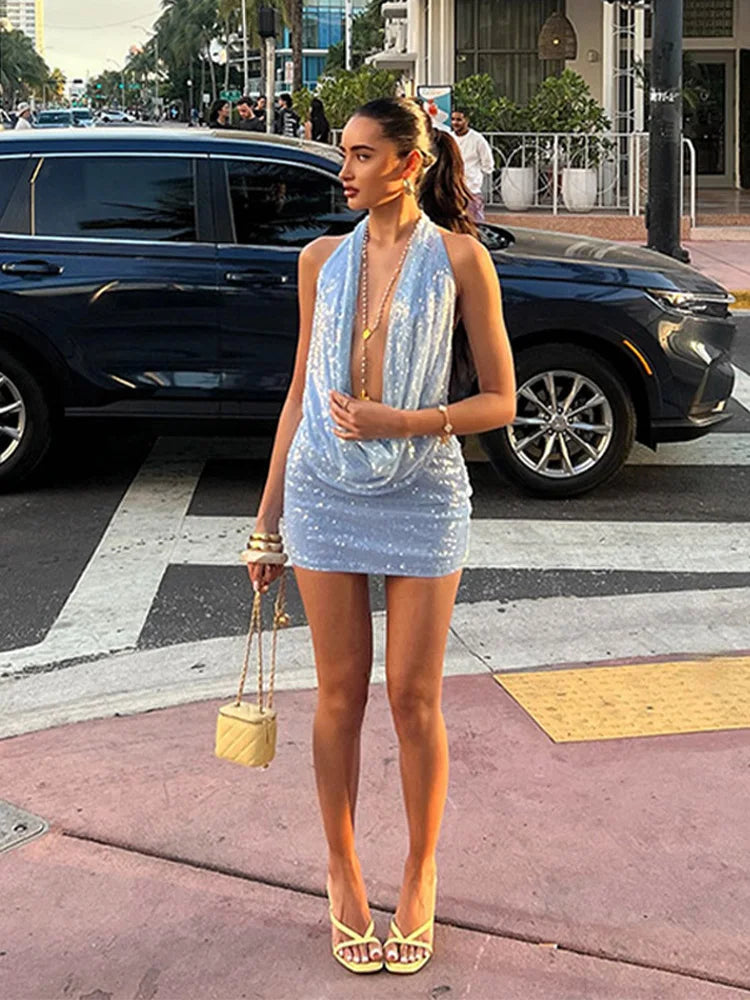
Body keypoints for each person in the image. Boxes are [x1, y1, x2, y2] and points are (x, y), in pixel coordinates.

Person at [246, 97, 515, 976]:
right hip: (324, 491)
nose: (344, 171)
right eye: (344, 155)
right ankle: (343, 868)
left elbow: (501, 402)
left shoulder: (464, 261)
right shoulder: (319, 260)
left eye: (361, 156)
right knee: (338, 698)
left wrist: (402, 420)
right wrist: (266, 523)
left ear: (409, 163)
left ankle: (420, 868)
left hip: (425, 492)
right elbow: (296, 396)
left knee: (413, 699)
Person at [450, 107, 494, 223]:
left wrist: (475, 178)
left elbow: (488, 164)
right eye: (453, 119)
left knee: (475, 224)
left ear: (467, 120)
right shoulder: (450, 138)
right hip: (453, 190)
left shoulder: (477, 139)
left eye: (459, 120)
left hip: (471, 191)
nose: (455, 123)